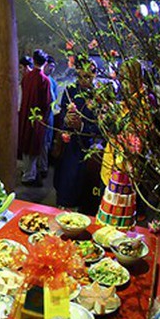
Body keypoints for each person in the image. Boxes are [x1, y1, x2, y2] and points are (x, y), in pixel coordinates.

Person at [54, 62, 101, 209]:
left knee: (81, 184)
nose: (83, 81)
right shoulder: (70, 90)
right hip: (68, 144)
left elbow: (101, 126)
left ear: (94, 75)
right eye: (80, 77)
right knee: (63, 179)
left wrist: (81, 126)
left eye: (87, 76)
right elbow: (62, 114)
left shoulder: (98, 96)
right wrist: (66, 119)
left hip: (88, 146)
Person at [19, 49, 53, 185]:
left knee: (27, 144)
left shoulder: (26, 77)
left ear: (33, 60)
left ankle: (29, 173)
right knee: (36, 145)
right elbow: (47, 102)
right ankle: (30, 175)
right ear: (45, 63)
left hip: (25, 115)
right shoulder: (45, 80)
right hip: (38, 118)